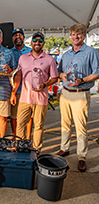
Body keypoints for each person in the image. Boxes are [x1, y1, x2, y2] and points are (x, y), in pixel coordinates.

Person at [57, 23, 99, 172]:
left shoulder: (91, 52)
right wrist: (62, 75)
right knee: (65, 123)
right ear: (70, 36)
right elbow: (59, 72)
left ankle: (82, 157)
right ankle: (65, 148)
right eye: (74, 34)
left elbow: (97, 72)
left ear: (84, 35)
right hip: (66, 93)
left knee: (81, 127)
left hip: (81, 93)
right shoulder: (66, 54)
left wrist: (83, 80)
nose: (76, 37)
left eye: (79, 34)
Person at [12, 32, 59, 151]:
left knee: (38, 126)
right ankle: (20, 148)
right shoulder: (23, 58)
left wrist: (44, 84)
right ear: (31, 42)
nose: (37, 43)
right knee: (20, 125)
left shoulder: (50, 59)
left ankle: (37, 150)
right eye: (35, 40)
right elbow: (18, 76)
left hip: (41, 99)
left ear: (43, 43)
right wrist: (13, 92)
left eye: (40, 40)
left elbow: (54, 78)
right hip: (24, 98)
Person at [10, 28, 33, 138]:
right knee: (14, 115)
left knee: (29, 116)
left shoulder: (30, 51)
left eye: (20, 35)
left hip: (29, 89)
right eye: (15, 35)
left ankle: (28, 137)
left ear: (23, 37)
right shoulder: (9, 52)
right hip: (15, 89)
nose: (18, 37)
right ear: (12, 38)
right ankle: (16, 136)